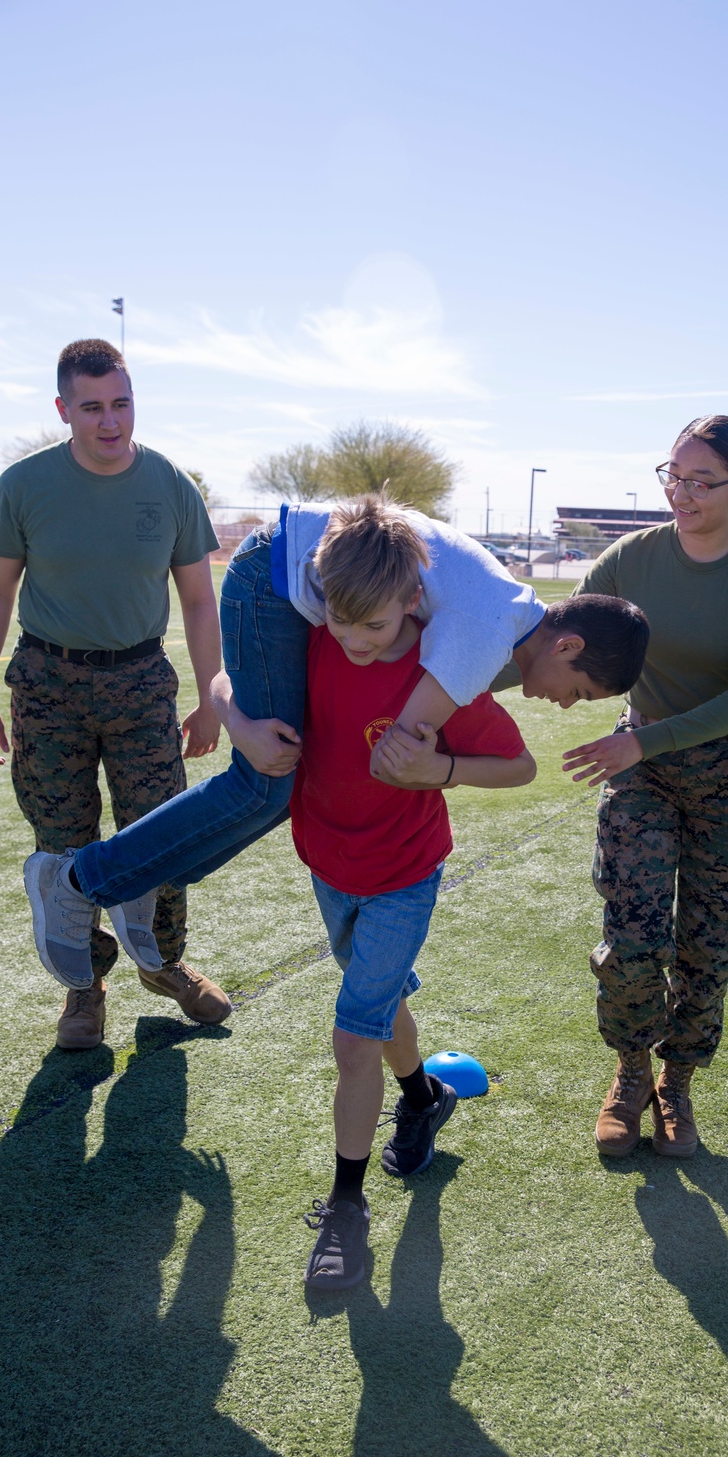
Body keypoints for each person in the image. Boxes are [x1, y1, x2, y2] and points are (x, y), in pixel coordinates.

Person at [22, 505, 650, 982]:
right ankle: (74, 879)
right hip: (273, 573)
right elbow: (394, 753)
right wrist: (441, 769)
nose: (568, 705)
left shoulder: (503, 616)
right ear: (567, 647)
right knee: (267, 782)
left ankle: (137, 873)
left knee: (278, 781)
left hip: (306, 562)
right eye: (581, 692)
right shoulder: (488, 633)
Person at [290, 498, 536, 1290]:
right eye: (341, 622)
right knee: (379, 997)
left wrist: (444, 770)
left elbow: (520, 765)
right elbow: (233, 677)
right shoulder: (316, 636)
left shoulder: (444, 670)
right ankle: (421, 1094)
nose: (357, 644)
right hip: (328, 861)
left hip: (403, 872)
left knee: (353, 1034)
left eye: (377, 627)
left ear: (414, 602)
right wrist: (229, 710)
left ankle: (345, 1210)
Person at [0, 338, 230, 1051]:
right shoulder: (23, 485)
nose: (110, 421)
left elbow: (200, 602)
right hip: (47, 684)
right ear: (64, 409)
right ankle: (84, 989)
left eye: (121, 403)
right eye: (92, 407)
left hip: (141, 682)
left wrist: (212, 695)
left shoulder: (172, 486)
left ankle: (165, 963)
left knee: (161, 834)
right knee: (63, 843)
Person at [562, 415, 728, 1160]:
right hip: (643, 770)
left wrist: (641, 739)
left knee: (711, 943)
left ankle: (678, 1084)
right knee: (633, 930)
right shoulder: (633, 557)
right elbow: (560, 632)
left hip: (727, 775)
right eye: (674, 475)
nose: (682, 493)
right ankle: (630, 1073)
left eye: (703, 482)